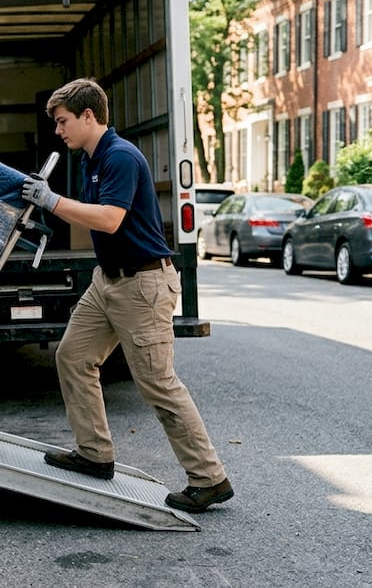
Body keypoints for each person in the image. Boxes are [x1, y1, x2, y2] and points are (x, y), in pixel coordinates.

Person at [20, 78, 233, 513]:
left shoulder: (119, 157)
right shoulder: (90, 160)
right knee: (73, 356)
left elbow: (111, 219)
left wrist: (52, 201)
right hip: (108, 282)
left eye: (62, 122)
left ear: (87, 116)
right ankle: (94, 454)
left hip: (143, 285)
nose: (58, 131)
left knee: (157, 384)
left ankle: (209, 478)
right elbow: (92, 218)